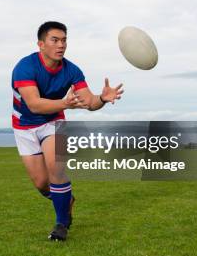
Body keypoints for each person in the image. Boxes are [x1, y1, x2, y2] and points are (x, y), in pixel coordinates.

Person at [11, 21, 124, 241]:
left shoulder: (72, 70)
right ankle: (67, 199)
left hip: (53, 123)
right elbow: (34, 104)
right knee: (42, 183)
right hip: (24, 127)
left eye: (64, 40)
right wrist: (65, 104)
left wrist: (101, 98)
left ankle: (61, 224)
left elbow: (89, 102)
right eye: (55, 40)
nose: (61, 45)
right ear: (41, 44)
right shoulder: (25, 67)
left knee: (57, 167)